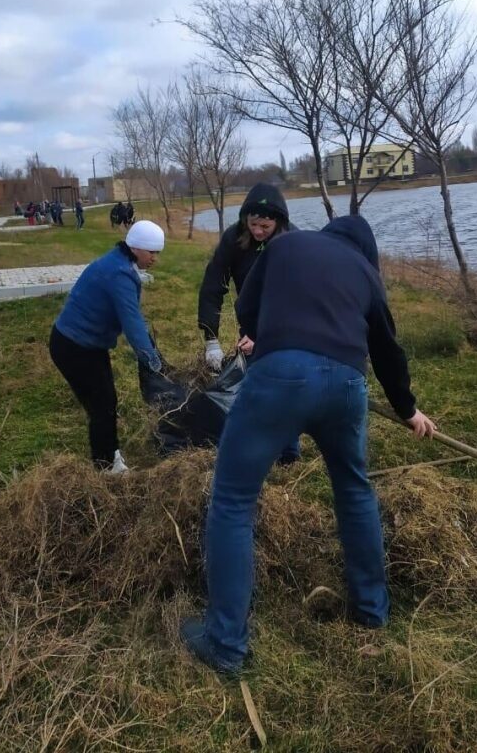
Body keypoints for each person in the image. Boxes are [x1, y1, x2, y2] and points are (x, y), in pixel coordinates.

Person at [180, 215, 435, 675]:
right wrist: (407, 409)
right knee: (355, 490)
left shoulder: (285, 246)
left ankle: (225, 644)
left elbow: (248, 305)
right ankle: (372, 612)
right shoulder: (366, 273)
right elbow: (387, 349)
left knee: (234, 500)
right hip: (347, 385)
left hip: (279, 378)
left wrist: (268, 334)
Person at [49, 220, 166, 473]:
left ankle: (109, 458)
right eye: (152, 252)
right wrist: (152, 360)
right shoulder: (119, 274)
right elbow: (132, 323)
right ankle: (106, 468)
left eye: (158, 253)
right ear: (135, 248)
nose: (155, 258)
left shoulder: (118, 263)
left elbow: (133, 315)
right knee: (102, 405)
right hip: (75, 347)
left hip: (82, 344)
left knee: (103, 403)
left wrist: (149, 348)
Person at [198, 184, 295, 371]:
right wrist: (211, 339)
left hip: (286, 323)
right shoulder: (233, 239)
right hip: (249, 317)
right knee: (253, 374)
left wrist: (262, 336)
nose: (258, 231)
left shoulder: (293, 240)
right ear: (245, 219)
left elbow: (300, 297)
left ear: (279, 223)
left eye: (265, 226)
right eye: (253, 224)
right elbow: (213, 285)